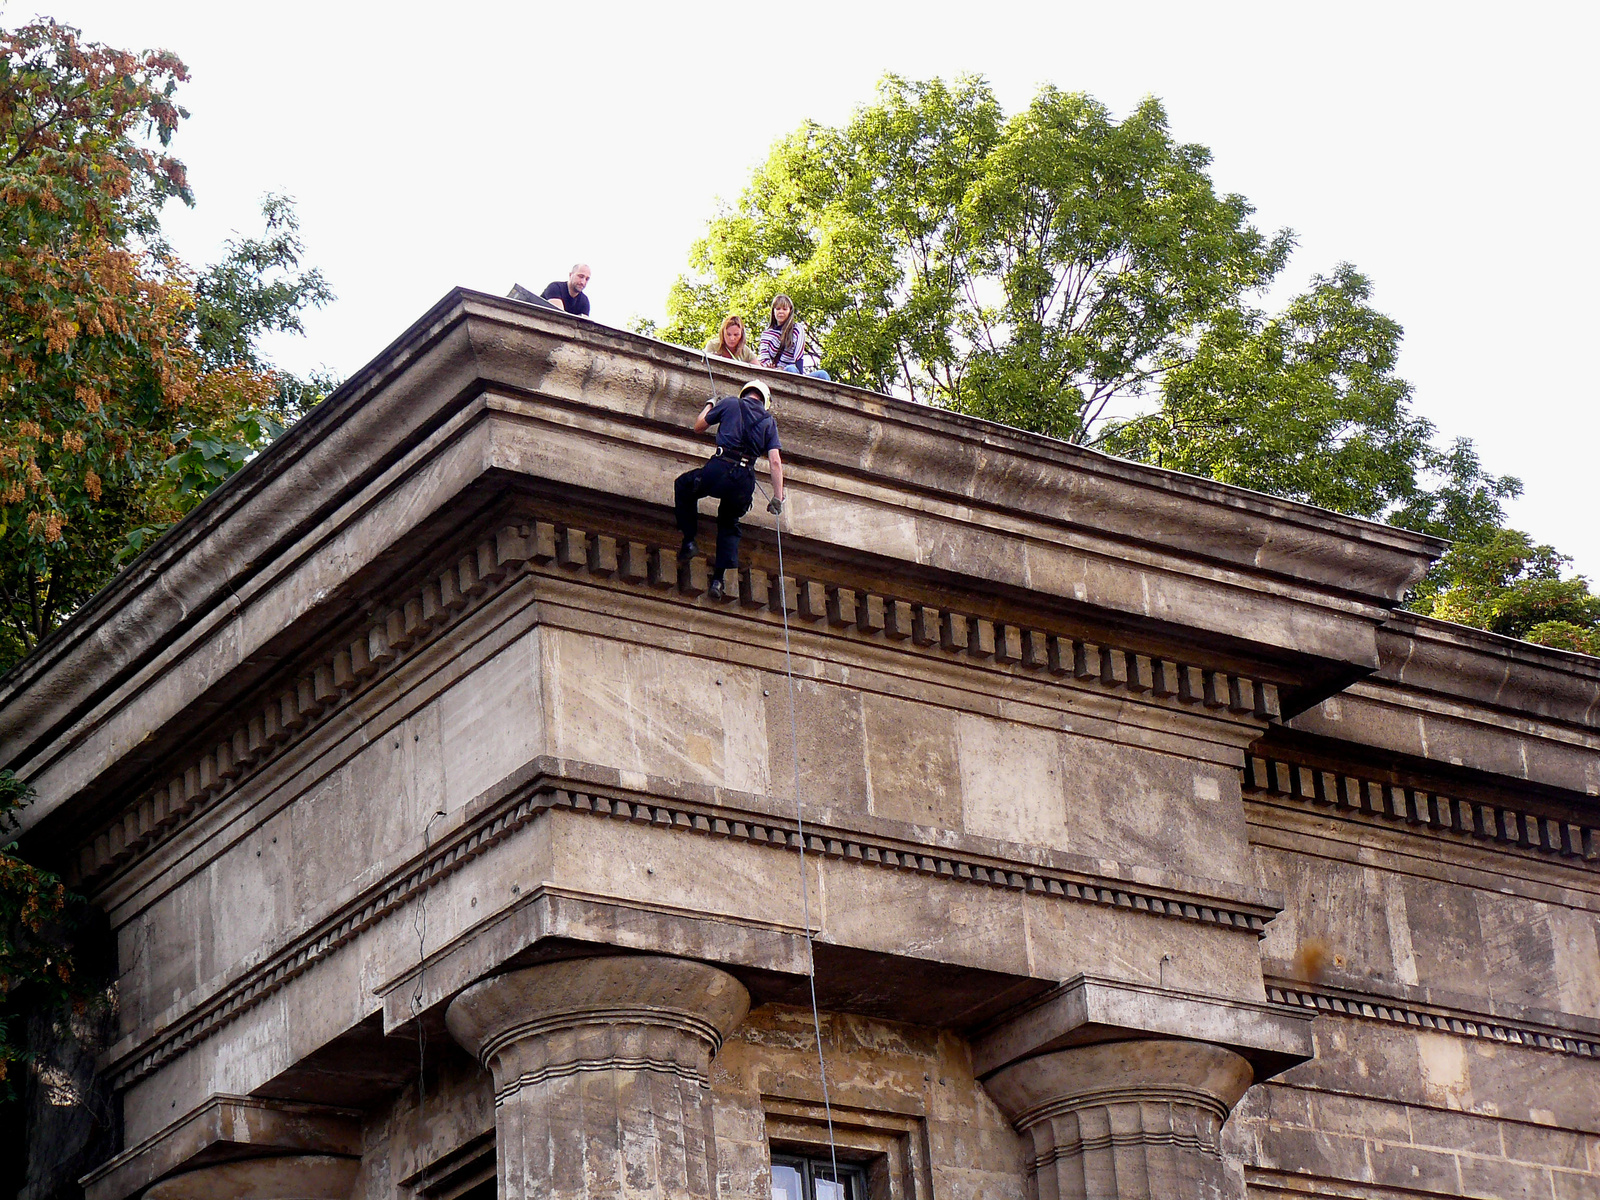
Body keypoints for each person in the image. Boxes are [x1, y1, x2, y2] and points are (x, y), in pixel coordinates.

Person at [675, 379, 785, 600]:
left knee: (685, 485)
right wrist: (778, 497)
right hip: (744, 480)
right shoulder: (769, 421)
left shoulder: (730, 403)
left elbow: (698, 427)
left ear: (745, 393)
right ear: (764, 401)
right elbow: (775, 462)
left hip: (720, 467)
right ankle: (718, 579)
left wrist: (710, 404)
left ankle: (689, 540)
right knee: (729, 522)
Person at [757, 294, 830, 380]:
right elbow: (764, 358)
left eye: (784, 309)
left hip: (794, 372)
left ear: (790, 311)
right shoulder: (766, 334)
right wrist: (771, 367)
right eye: (778, 309)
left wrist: (799, 375)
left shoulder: (797, 329)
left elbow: (799, 356)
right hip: (774, 374)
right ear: (773, 311)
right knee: (789, 369)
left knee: (822, 374)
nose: (781, 312)